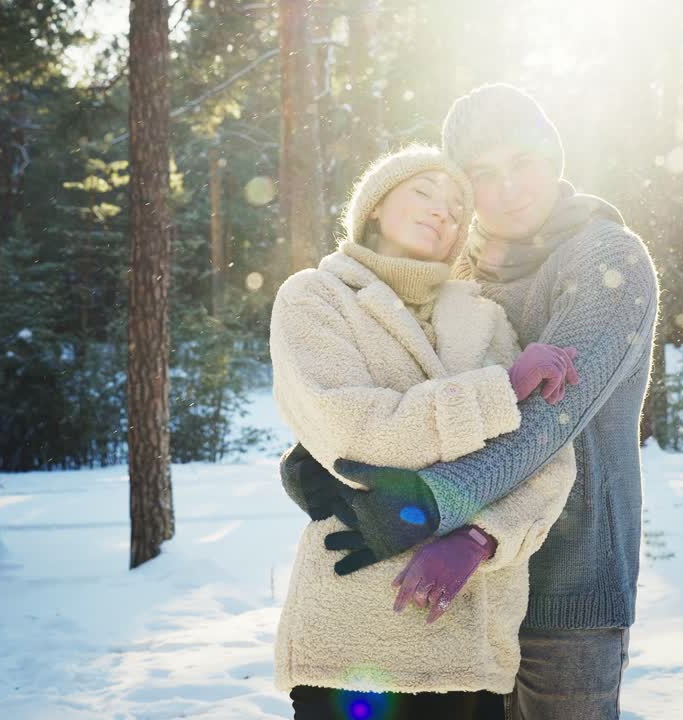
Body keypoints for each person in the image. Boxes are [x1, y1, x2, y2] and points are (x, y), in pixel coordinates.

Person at [290, 85, 660, 719]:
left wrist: (432, 510)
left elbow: (548, 419)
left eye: (523, 162)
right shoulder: (461, 274)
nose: (510, 187)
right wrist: (315, 453)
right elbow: (411, 390)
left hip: (565, 586)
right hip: (455, 601)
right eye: (484, 175)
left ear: (555, 157)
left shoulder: (607, 258)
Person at [269, 144, 580, 719]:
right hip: (354, 640)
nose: (445, 211)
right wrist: (501, 391)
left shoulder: (487, 320)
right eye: (425, 192)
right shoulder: (314, 298)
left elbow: (547, 456)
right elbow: (354, 432)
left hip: (471, 640)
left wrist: (481, 536)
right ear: (375, 207)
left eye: (460, 206)